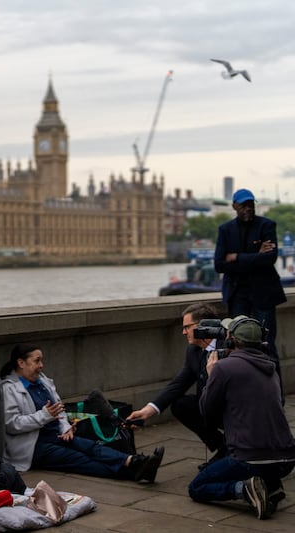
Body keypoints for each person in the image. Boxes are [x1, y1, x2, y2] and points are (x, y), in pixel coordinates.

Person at [0, 343, 165, 483]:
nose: (41, 365)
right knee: (79, 459)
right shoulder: (9, 389)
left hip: (57, 436)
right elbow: (12, 424)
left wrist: (65, 427)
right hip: (34, 446)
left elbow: (60, 409)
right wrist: (44, 416)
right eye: (37, 361)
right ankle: (133, 472)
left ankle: (133, 461)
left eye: (41, 360)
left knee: (91, 446)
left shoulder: (43, 382)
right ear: (21, 363)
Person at [188, 316, 295, 519]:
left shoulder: (223, 368)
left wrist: (211, 376)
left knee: (197, 487)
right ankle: (271, 486)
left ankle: (244, 489)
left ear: (231, 341)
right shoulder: (271, 367)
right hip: (286, 459)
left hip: (250, 458)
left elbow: (206, 411)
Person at [127, 303, 226, 467]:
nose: (183, 332)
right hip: (210, 406)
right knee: (181, 405)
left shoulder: (229, 346)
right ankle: (223, 447)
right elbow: (179, 383)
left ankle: (236, 449)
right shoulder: (193, 350)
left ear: (205, 326)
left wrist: (214, 374)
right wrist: (149, 410)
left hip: (235, 409)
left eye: (187, 327)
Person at [214, 188, 286, 368]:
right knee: (237, 344)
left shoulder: (267, 226)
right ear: (234, 206)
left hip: (263, 294)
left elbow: (270, 259)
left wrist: (237, 257)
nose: (248, 209)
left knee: (267, 343)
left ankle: (276, 395)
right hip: (238, 294)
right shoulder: (225, 230)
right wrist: (256, 255)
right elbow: (219, 264)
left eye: (251, 205)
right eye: (244, 205)